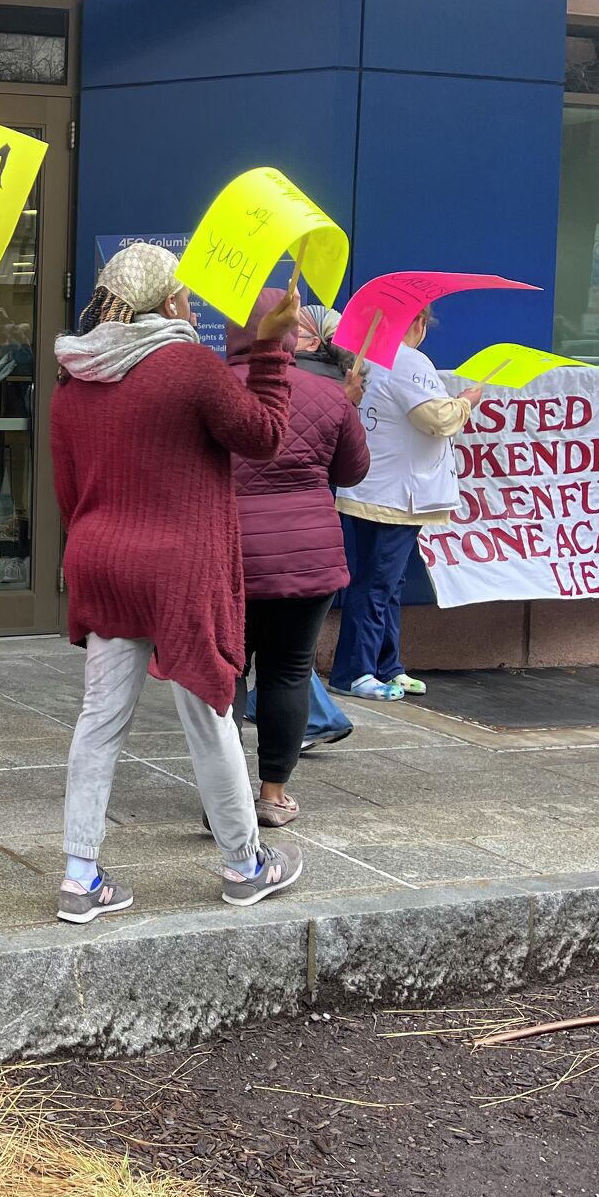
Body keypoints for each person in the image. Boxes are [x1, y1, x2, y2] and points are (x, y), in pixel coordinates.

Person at [50, 243, 305, 924]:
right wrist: (271, 351)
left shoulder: (75, 379)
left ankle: (80, 876)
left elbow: (69, 494)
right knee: (208, 711)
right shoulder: (188, 365)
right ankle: (247, 864)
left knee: (99, 720)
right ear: (166, 304)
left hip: (102, 558)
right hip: (177, 567)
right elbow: (263, 436)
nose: (192, 309)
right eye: (188, 299)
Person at [226, 287, 370, 827]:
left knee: (227, 673)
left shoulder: (211, 390)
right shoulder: (328, 393)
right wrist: (346, 405)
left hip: (228, 554)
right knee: (289, 671)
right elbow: (352, 472)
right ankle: (273, 793)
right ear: (291, 332)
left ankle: (225, 793)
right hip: (307, 557)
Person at [331, 304, 482, 700]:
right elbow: (437, 419)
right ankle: (355, 671)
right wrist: (466, 400)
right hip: (395, 495)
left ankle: (386, 665)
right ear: (418, 323)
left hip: (373, 489)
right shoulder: (409, 360)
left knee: (386, 582)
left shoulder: (373, 362)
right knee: (378, 583)